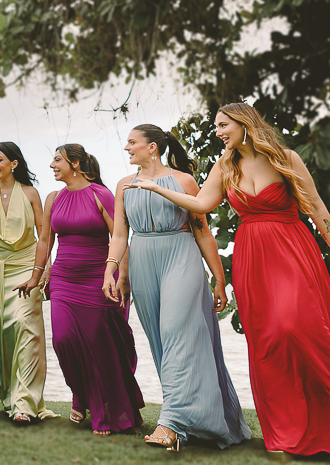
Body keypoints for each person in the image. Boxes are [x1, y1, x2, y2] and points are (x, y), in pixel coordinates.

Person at [127, 104, 330, 455]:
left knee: (299, 327)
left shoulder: (284, 158)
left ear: (245, 123)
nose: (218, 132)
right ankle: (288, 430)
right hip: (252, 257)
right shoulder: (225, 166)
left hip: (292, 249)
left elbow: (316, 207)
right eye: (215, 127)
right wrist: (155, 188)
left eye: (223, 125)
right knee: (269, 340)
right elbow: (199, 206)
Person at [103, 125, 250, 450]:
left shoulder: (184, 181)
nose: (127, 147)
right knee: (162, 341)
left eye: (132, 142)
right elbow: (119, 235)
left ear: (152, 147)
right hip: (143, 262)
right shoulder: (124, 186)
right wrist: (111, 271)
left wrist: (219, 279)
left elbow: (202, 231)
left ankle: (171, 423)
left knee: (175, 331)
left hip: (180, 258)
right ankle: (194, 421)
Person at [19, 144, 142, 435]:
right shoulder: (53, 198)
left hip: (98, 279)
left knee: (100, 346)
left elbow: (120, 237)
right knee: (62, 340)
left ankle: (106, 412)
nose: (51, 164)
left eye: (57, 159)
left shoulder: (101, 195)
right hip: (64, 278)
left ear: (75, 163)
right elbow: (45, 241)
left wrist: (120, 277)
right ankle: (80, 393)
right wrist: (36, 276)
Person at [0, 142, 55, 424]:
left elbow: (44, 234)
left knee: (26, 329)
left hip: (26, 265)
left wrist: (42, 270)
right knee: (4, 334)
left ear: (14, 163)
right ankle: (9, 397)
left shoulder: (32, 193)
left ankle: (26, 402)